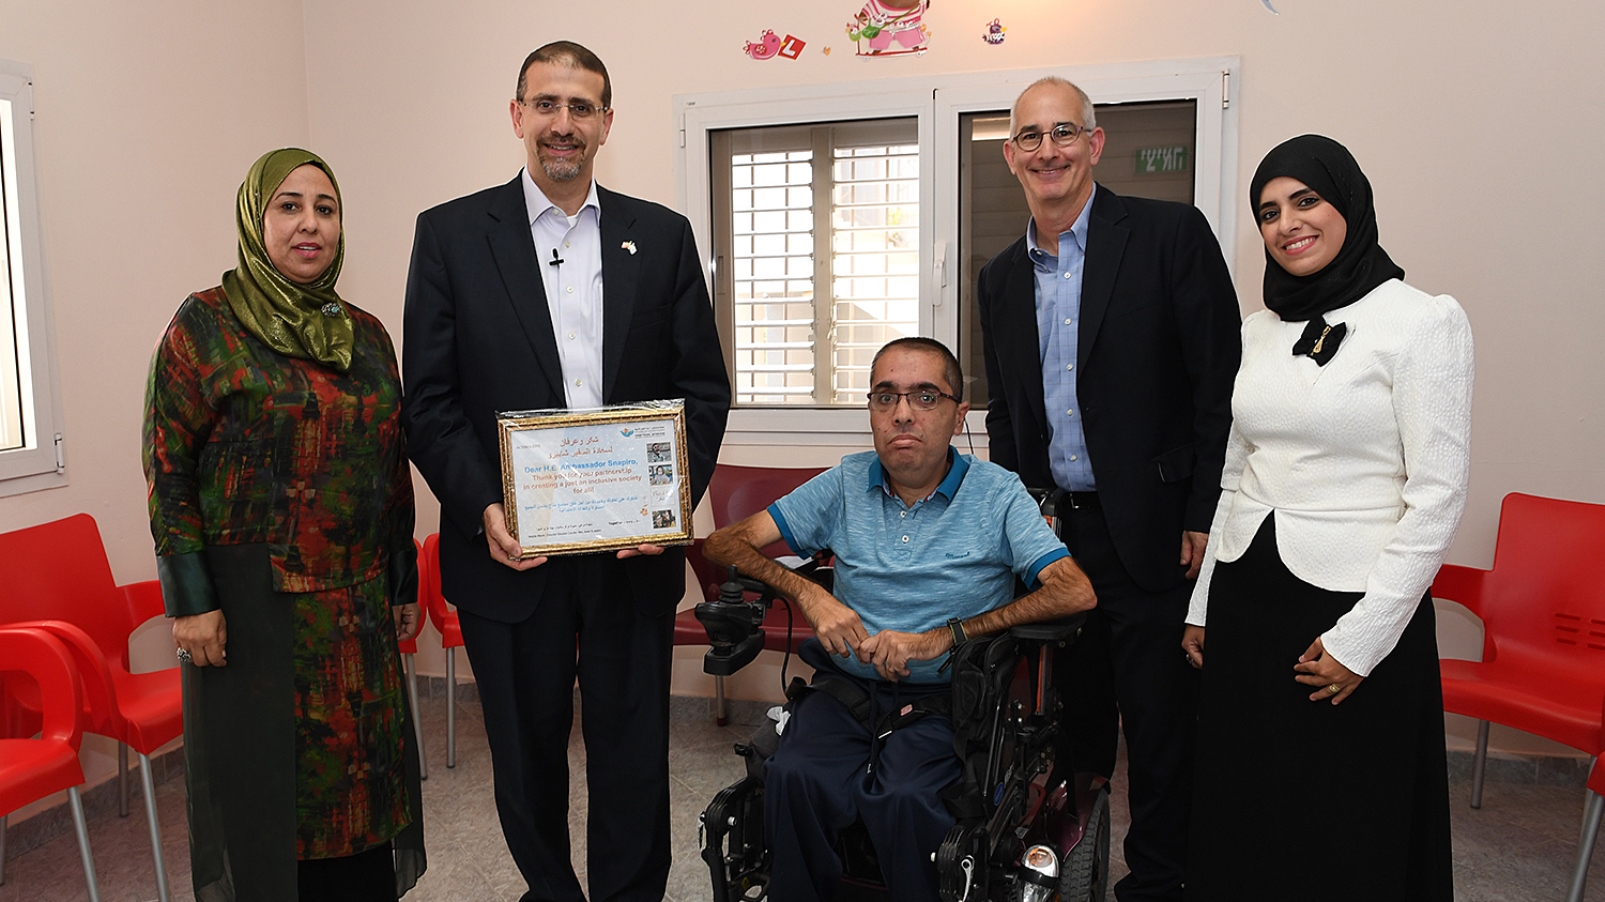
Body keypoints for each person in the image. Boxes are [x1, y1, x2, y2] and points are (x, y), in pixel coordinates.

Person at [400, 41, 730, 902]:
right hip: (510, 554)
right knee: (525, 754)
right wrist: (479, 508)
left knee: (631, 753)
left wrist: (665, 505)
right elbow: (428, 401)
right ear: (516, 117)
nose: (562, 124)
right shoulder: (449, 235)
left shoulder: (659, 236)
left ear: (605, 124)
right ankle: (550, 892)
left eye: (581, 108)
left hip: (631, 558)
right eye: (546, 104)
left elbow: (701, 390)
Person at [703, 337, 1097, 902]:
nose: (903, 414)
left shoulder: (997, 494)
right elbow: (725, 543)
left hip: (947, 700)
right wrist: (811, 596)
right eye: (885, 397)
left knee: (907, 798)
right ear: (870, 411)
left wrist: (945, 636)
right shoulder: (844, 482)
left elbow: (1074, 591)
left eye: (926, 397)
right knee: (791, 779)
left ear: (960, 414)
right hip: (845, 689)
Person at [1182, 134, 1469, 900]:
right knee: (1247, 801)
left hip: (1350, 606)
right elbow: (1236, 471)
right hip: (1250, 594)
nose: (1285, 224)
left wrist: (1362, 642)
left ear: (1348, 202)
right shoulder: (1259, 327)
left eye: (1304, 200)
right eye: (1268, 211)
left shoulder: (1421, 321)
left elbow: (1437, 494)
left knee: (1341, 816)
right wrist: (1204, 601)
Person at [975, 77, 1241, 901]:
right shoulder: (998, 279)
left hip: (1159, 532)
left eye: (1063, 132)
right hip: (1060, 541)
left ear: (1094, 144)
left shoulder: (1167, 236)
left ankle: (1159, 883)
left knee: (1161, 728)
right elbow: (1010, 418)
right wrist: (1022, 522)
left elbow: (1219, 386)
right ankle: (1072, 870)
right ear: (1011, 156)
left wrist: (1203, 510)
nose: (1046, 150)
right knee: (1071, 726)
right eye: (1028, 137)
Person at [144, 148, 426, 902]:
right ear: (255, 218)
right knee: (270, 797)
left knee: (361, 786)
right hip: (248, 612)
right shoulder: (202, 325)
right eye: (289, 206)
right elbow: (168, 469)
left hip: (356, 605)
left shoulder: (364, 335)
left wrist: (404, 577)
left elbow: (387, 466)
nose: (310, 224)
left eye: (325, 209)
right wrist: (190, 600)